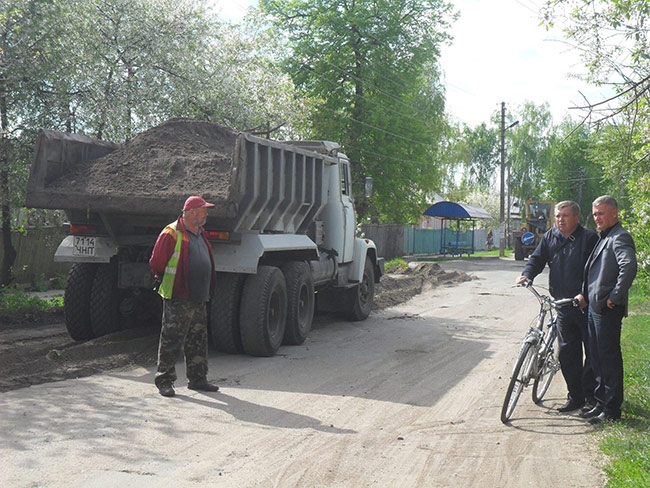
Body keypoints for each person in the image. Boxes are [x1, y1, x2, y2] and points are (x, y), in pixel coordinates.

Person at [515, 200, 598, 413]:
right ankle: (575, 396)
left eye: (565, 216)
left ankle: (591, 397)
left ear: (577, 218)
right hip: (562, 305)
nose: (560, 220)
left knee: (592, 352)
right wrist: (527, 274)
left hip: (584, 305)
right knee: (567, 353)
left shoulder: (589, 239)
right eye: (558, 216)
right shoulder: (551, 236)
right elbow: (537, 258)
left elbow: (597, 272)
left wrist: (585, 294)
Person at [149, 195, 220, 397]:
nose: (206, 214)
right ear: (192, 213)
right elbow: (156, 262)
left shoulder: (199, 233)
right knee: (172, 339)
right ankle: (164, 380)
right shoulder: (172, 233)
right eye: (204, 210)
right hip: (178, 295)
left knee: (197, 338)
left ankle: (198, 379)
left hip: (199, 296)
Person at [575, 195, 637, 424]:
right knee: (597, 358)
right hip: (594, 307)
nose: (597, 218)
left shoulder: (620, 237)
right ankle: (600, 403)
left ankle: (611, 410)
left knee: (608, 359)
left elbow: (628, 266)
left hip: (606, 309)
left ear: (614, 213)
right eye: (594, 214)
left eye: (601, 213)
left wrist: (615, 296)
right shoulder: (605, 237)